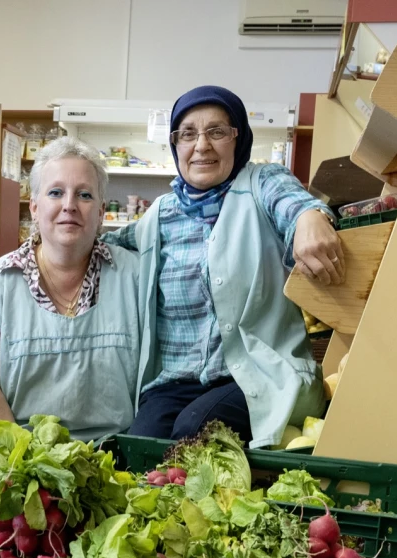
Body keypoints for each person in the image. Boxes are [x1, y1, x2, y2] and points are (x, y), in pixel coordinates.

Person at [105, 85, 345, 449]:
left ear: (238, 139)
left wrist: (310, 218)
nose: (201, 145)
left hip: (257, 376)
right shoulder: (160, 214)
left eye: (217, 132)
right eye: (188, 134)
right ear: (176, 145)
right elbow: (108, 246)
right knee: (140, 446)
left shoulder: (261, 184)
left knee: (194, 431)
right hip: (174, 382)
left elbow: (293, 204)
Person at [0, 137, 142, 475]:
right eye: (55, 192)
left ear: (99, 212)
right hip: (17, 445)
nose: (69, 205)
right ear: (34, 206)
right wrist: (22, 457)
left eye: (84, 194)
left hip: (113, 452)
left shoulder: (135, 277)